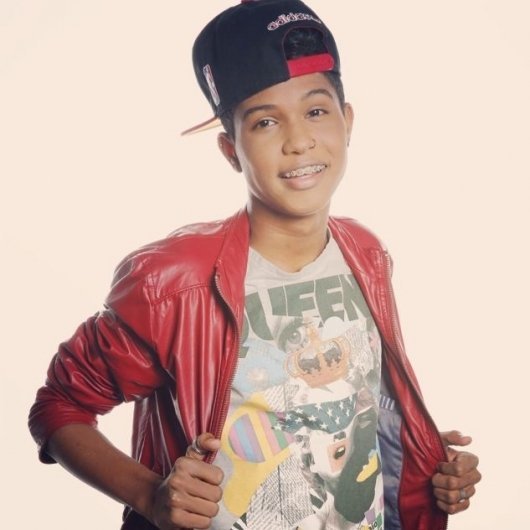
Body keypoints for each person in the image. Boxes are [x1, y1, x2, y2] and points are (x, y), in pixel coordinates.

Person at [28, 1, 481, 529]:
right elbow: (58, 408)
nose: (299, 141)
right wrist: (151, 495)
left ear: (348, 122)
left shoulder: (367, 253)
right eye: (265, 122)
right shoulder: (172, 284)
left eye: (316, 111)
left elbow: (356, 405)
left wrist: (422, 459)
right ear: (231, 150)